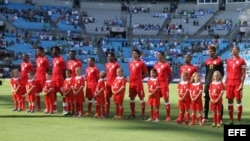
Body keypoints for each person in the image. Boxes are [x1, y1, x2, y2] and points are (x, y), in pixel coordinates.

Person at [225, 46, 246, 125]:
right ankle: (231, 120)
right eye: (233, 49)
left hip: (237, 82)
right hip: (229, 82)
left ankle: (239, 120)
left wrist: (242, 84)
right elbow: (228, 73)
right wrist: (225, 82)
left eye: (235, 49)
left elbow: (244, 73)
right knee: (230, 101)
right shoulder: (229, 61)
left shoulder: (242, 61)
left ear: (238, 51)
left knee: (238, 100)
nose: (234, 50)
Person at [203, 44, 224, 123]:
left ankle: (220, 118)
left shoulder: (219, 61)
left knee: (218, 101)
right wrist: (206, 83)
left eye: (211, 51)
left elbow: (222, 73)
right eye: (209, 51)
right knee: (206, 100)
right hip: (208, 83)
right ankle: (205, 117)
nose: (209, 52)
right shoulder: (207, 61)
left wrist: (218, 82)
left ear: (214, 51)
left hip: (216, 84)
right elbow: (207, 73)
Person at [128, 49, 148, 119]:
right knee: (131, 98)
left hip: (138, 83)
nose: (134, 54)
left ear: (138, 54)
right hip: (131, 83)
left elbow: (146, 73)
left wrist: (140, 78)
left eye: (135, 53)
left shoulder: (141, 63)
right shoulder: (130, 63)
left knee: (141, 98)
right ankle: (133, 114)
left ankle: (143, 115)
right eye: (133, 53)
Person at [153, 51, 172, 121]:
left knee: (166, 100)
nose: (158, 56)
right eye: (157, 55)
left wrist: (167, 83)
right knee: (156, 100)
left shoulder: (166, 65)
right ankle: (156, 116)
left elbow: (170, 75)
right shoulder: (155, 65)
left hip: (164, 85)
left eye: (160, 55)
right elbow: (154, 75)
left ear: (163, 56)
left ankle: (168, 116)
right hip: (157, 85)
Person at [51, 46, 66, 113]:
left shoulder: (61, 60)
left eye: (54, 50)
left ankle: (65, 109)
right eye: (53, 50)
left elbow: (64, 70)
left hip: (59, 79)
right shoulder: (54, 59)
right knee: (53, 94)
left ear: (58, 51)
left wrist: (64, 80)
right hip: (53, 79)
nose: (53, 51)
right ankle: (54, 109)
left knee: (63, 93)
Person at [105, 52, 120, 117]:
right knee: (107, 98)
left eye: (110, 56)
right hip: (108, 83)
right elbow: (107, 73)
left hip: (114, 84)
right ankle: (107, 113)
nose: (109, 57)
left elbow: (118, 74)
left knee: (116, 100)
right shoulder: (107, 64)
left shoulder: (117, 65)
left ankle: (118, 113)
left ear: (113, 57)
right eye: (108, 56)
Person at [35, 47, 50, 111]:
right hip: (37, 78)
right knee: (36, 93)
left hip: (43, 78)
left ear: (42, 51)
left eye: (38, 51)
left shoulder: (45, 60)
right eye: (37, 51)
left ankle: (47, 107)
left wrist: (46, 77)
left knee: (45, 93)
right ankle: (39, 107)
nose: (37, 52)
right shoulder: (37, 59)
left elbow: (48, 69)